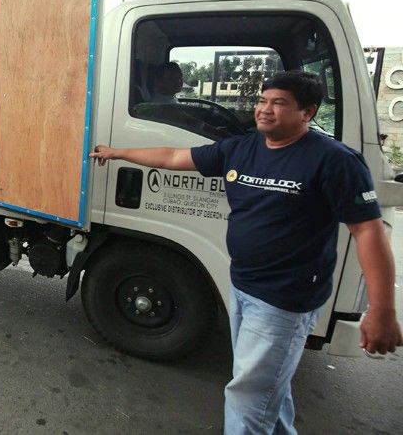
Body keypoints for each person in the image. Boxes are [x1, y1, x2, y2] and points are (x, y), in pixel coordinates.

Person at [90, 70, 401, 434]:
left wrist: (381, 310)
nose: (265, 110)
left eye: (279, 103)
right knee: (267, 388)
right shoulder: (244, 147)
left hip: (284, 299)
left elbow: (367, 231)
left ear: (308, 112)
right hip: (242, 285)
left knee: (248, 394)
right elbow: (174, 156)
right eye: (262, 101)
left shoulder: (333, 160)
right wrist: (117, 152)